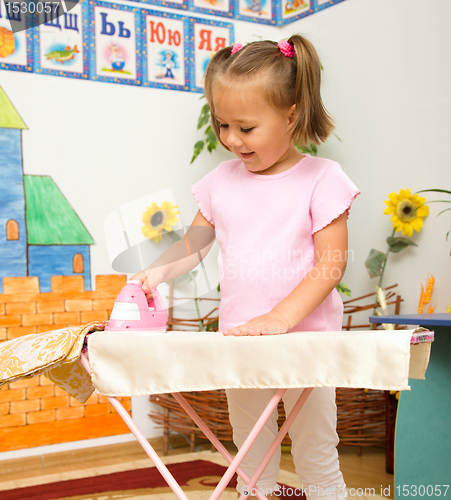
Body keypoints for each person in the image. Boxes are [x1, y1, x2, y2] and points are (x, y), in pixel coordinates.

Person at [132, 35, 360, 500]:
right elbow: (195, 242)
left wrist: (280, 318)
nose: (231, 139)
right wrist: (154, 273)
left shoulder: (323, 179)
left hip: (306, 344)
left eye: (246, 127)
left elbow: (331, 264)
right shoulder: (220, 181)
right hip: (241, 340)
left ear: (291, 114)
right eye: (221, 125)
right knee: (250, 453)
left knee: (316, 448)